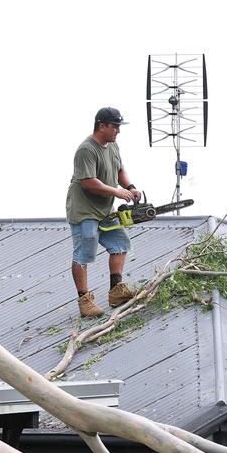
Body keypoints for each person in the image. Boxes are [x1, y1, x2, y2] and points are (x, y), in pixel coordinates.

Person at [65, 106, 143, 318]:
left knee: (120, 244)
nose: (118, 131)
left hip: (104, 209)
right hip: (85, 210)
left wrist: (130, 187)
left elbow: (119, 170)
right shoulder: (86, 150)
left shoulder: (113, 145)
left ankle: (116, 291)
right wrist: (117, 193)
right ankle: (84, 300)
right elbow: (89, 182)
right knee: (85, 251)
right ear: (102, 126)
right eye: (115, 126)